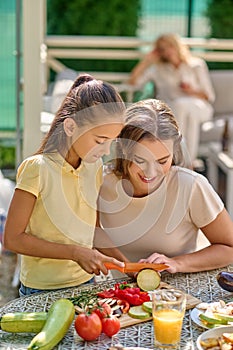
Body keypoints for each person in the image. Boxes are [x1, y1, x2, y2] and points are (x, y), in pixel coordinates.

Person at [3, 74, 127, 296]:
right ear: (70, 127)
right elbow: (13, 239)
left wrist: (128, 266)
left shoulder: (94, 166)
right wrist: (75, 253)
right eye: (100, 140)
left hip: (87, 284)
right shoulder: (37, 168)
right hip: (41, 290)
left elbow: (94, 231)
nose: (106, 151)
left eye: (112, 141)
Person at [97, 99, 233, 274]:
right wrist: (128, 268)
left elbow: (228, 247)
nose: (151, 172)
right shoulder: (101, 182)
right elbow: (94, 235)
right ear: (124, 151)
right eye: (140, 160)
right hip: (118, 292)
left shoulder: (191, 186)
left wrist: (176, 263)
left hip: (179, 293)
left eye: (162, 161)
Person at [128, 33, 215, 163]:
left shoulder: (196, 65)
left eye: (170, 46)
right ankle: (188, 162)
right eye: (162, 49)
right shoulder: (158, 69)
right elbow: (133, 83)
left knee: (183, 106)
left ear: (177, 46)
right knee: (188, 115)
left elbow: (209, 96)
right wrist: (146, 62)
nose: (167, 51)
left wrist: (190, 91)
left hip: (199, 107)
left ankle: (178, 158)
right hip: (175, 111)